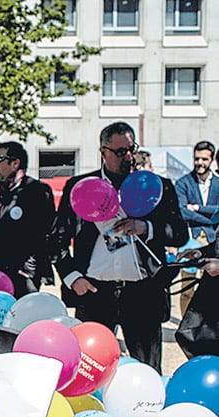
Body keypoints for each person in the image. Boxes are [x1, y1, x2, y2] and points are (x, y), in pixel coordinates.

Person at [49, 121, 188, 373]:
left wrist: (146, 227)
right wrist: (72, 277)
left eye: (132, 149)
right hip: (94, 292)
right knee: (89, 368)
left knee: (147, 368)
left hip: (143, 292)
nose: (129, 157)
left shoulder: (157, 187)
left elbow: (179, 233)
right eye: (120, 152)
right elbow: (56, 239)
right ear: (103, 152)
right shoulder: (80, 188)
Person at [0, 141, 56, 297]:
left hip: (23, 276)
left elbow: (43, 234)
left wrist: (29, 272)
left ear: (15, 163)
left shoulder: (36, 191)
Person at [174, 140, 219, 313]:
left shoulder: (218, 183)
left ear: (212, 159)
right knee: (187, 287)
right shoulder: (183, 183)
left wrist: (198, 208)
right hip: (190, 240)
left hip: (213, 240)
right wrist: (211, 219)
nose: (200, 163)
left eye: (204, 159)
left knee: (210, 287)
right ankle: (186, 329)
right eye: (197, 158)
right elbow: (182, 212)